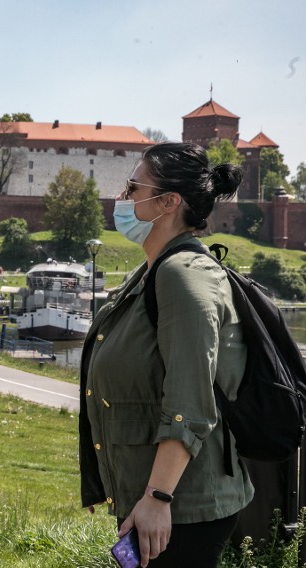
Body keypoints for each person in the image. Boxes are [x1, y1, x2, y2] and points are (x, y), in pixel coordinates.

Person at [79, 142, 252, 567]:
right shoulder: (156, 268)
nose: (124, 197)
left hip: (180, 506)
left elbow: (190, 400)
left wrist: (157, 497)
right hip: (160, 499)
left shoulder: (182, 275)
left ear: (169, 202)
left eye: (134, 186)